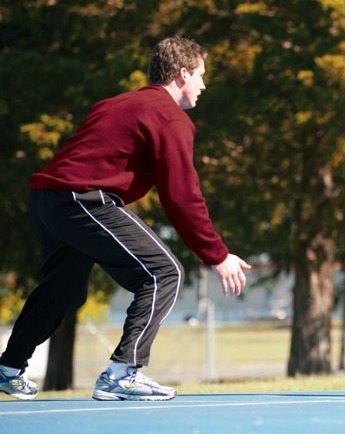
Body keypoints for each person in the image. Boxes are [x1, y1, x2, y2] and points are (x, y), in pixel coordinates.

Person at [0, 36, 251, 401]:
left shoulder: (116, 103)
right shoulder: (169, 116)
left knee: (63, 289)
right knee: (164, 273)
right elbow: (181, 196)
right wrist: (217, 254)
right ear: (182, 74)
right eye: (201, 75)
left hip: (48, 200)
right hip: (82, 200)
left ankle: (8, 368)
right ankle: (122, 372)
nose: (204, 84)